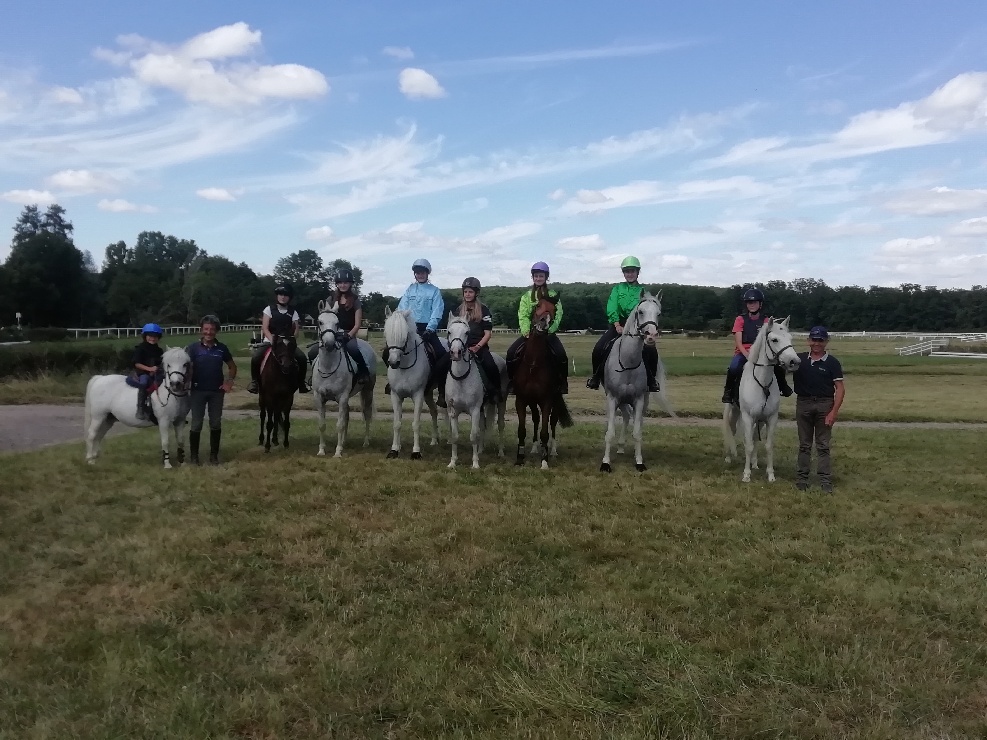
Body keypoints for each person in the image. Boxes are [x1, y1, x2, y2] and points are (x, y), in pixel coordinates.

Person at [586, 256, 660, 393]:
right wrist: (616, 324)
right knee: (599, 348)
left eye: (632, 271)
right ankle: (595, 378)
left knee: (651, 351)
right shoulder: (617, 289)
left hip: (637, 327)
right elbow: (612, 306)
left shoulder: (643, 292)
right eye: (627, 271)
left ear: (638, 272)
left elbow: (646, 311)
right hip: (618, 325)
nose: (630, 274)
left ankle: (651, 381)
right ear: (623, 273)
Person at [387, 258, 448, 403]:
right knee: (388, 351)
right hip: (409, 329)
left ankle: (441, 390)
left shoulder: (435, 291)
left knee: (442, 356)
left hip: (427, 329)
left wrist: (430, 329)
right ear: (415, 274)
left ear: (427, 273)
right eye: (417, 272)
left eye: (422, 272)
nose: (420, 275)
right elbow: (402, 308)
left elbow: (437, 311)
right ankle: (392, 383)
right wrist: (400, 325)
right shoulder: (409, 290)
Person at [793, 326, 845, 493]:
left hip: (824, 404)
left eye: (820, 340)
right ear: (808, 341)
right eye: (814, 340)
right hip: (803, 403)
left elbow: (840, 388)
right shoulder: (799, 359)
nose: (817, 343)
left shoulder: (832, 362)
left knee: (823, 444)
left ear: (826, 342)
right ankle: (802, 479)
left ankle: (825, 480)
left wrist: (833, 412)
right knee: (804, 444)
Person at [720, 287, 793, 404]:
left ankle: (783, 386)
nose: (751, 305)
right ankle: (728, 391)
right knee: (734, 367)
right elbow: (738, 341)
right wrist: (746, 354)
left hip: (761, 352)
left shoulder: (766, 321)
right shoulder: (740, 319)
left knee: (778, 366)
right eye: (749, 302)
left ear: (760, 304)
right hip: (744, 351)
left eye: (754, 302)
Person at [506, 261, 569, 394]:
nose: (538, 278)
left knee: (561, 355)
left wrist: (551, 330)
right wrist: (525, 331)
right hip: (531, 333)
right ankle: (512, 382)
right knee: (511, 353)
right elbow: (522, 314)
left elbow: (559, 314)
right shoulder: (526, 296)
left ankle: (562, 383)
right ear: (533, 277)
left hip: (548, 333)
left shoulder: (553, 295)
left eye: (541, 276)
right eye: (536, 276)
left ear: (546, 277)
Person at [434, 277, 501, 401]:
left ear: (476, 293)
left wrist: (477, 347)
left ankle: (495, 392)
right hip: (459, 346)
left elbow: (487, 334)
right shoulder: (458, 310)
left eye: (470, 292)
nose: (467, 294)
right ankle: (443, 394)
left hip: (478, 345)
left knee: (491, 366)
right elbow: (452, 331)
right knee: (440, 365)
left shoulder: (484, 310)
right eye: (465, 292)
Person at [185, 315, 237, 465]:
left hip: (216, 392)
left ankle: (214, 456)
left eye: (212, 330)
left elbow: (232, 366)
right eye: (206, 329)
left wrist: (229, 382)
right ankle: (194, 457)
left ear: (216, 331)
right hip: (197, 391)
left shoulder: (222, 348)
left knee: (215, 423)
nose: (209, 332)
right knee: (196, 424)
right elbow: (186, 367)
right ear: (201, 330)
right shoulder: (193, 348)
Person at [308, 268, 371, 383]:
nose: (343, 285)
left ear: (350, 284)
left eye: (346, 282)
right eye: (340, 283)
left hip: (347, 333)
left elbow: (357, 324)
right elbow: (325, 317)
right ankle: (315, 376)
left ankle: (363, 372)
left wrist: (349, 335)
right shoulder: (331, 299)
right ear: (337, 284)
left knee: (354, 350)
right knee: (313, 351)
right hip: (331, 332)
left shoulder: (356, 301)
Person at [246, 284, 309, 395]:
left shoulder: (293, 312)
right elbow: (265, 328)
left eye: (285, 295)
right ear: (277, 296)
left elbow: (296, 330)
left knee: (302, 358)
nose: (283, 297)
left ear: (289, 297)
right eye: (280, 294)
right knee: (256, 357)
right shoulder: (269, 309)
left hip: (286, 342)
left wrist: (291, 340)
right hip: (270, 340)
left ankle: (301, 383)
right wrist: (273, 340)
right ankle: (255, 382)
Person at [131, 322, 164, 420]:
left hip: (156, 373)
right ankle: (140, 408)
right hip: (143, 373)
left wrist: (158, 368)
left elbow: (160, 363)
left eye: (155, 336)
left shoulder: (159, 350)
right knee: (144, 382)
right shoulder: (140, 349)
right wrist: (150, 369)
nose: (153, 338)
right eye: (150, 336)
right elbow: (137, 363)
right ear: (145, 336)